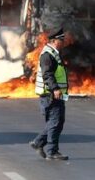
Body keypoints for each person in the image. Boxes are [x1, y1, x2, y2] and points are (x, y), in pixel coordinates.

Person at [29, 27, 69, 160]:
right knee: (54, 122)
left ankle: (38, 143)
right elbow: (47, 74)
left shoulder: (54, 53)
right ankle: (52, 151)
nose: (62, 42)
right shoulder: (47, 55)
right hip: (50, 95)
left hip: (54, 95)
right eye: (61, 40)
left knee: (57, 121)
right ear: (54, 40)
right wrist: (55, 88)